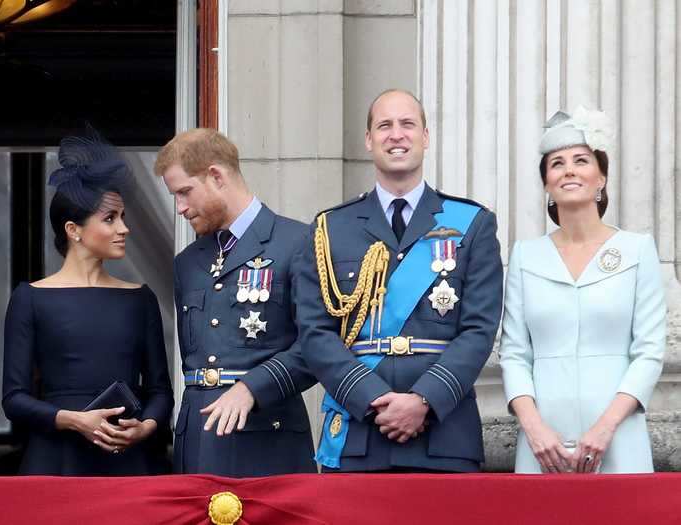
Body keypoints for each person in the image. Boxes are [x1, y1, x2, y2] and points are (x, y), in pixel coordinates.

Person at [294, 89, 503, 472]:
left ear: (425, 137)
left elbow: (479, 330)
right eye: (384, 125)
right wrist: (374, 399)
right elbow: (315, 332)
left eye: (407, 124)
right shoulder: (330, 228)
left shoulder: (472, 223)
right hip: (360, 433)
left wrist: (424, 399)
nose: (396, 134)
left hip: (444, 434)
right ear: (369, 140)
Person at [499, 107, 666, 474]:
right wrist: (535, 429)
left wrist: (605, 429)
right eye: (556, 163)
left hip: (617, 434)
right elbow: (513, 354)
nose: (569, 170)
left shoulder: (637, 250)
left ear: (601, 177)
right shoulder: (526, 256)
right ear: (546, 183)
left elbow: (650, 351)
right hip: (544, 441)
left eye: (581, 160)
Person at [2, 131, 174, 475]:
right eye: (110, 219)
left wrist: (146, 427)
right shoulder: (30, 297)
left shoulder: (140, 298)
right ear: (73, 229)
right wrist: (75, 420)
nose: (124, 228)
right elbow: (14, 400)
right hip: (56, 460)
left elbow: (161, 392)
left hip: (129, 459)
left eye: (123, 217)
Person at [154, 128, 316, 477]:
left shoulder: (298, 242)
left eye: (185, 192)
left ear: (216, 176)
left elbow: (318, 347)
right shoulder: (188, 262)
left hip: (267, 436)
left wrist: (252, 387)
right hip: (197, 439)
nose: (180, 208)